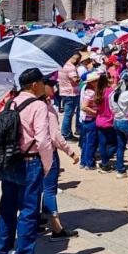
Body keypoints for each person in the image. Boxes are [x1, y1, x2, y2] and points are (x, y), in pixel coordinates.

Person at [0, 68, 54, 254]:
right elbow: (43, 140)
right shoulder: (38, 105)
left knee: (7, 209)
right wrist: (47, 166)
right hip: (30, 162)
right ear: (35, 84)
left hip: (10, 161)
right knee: (28, 212)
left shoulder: (11, 102)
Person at [41, 81, 80, 241]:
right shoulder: (46, 109)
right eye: (51, 84)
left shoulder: (21, 104)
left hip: (32, 153)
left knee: (39, 189)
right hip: (49, 153)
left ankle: (40, 219)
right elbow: (56, 136)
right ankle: (57, 228)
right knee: (49, 190)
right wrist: (70, 152)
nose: (54, 87)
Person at [111, 73, 128, 178]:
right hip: (126, 121)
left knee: (120, 146)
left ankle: (120, 170)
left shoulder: (113, 94)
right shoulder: (127, 94)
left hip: (116, 120)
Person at [78, 71, 104, 170]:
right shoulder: (91, 92)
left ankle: (83, 161)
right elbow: (84, 107)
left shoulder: (88, 90)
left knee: (86, 141)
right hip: (90, 119)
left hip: (86, 119)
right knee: (91, 142)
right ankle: (89, 163)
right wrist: (95, 113)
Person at [57, 54, 81, 141]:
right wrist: (80, 78)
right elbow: (74, 80)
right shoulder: (71, 67)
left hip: (64, 91)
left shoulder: (62, 65)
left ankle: (67, 132)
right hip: (71, 92)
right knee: (68, 114)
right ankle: (66, 133)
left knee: (68, 114)